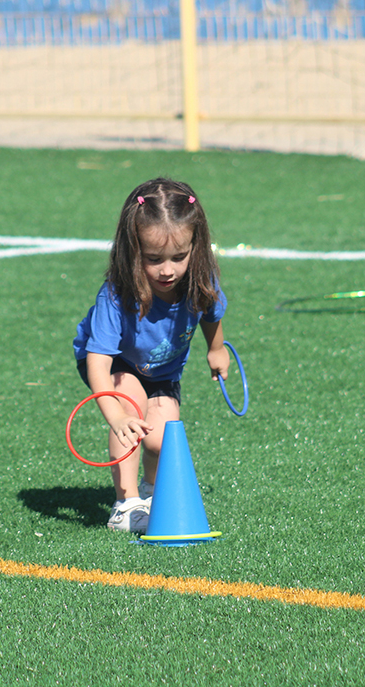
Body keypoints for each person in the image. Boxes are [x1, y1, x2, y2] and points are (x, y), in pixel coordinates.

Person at [73, 178, 230, 534]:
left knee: (161, 438)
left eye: (179, 257)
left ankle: (150, 492)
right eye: (154, 259)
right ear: (133, 250)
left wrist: (216, 349)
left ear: (196, 246)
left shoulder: (199, 279)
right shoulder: (117, 294)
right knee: (130, 411)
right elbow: (99, 361)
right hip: (117, 362)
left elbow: (212, 312)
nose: (168, 270)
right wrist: (114, 415)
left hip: (162, 370)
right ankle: (125, 504)